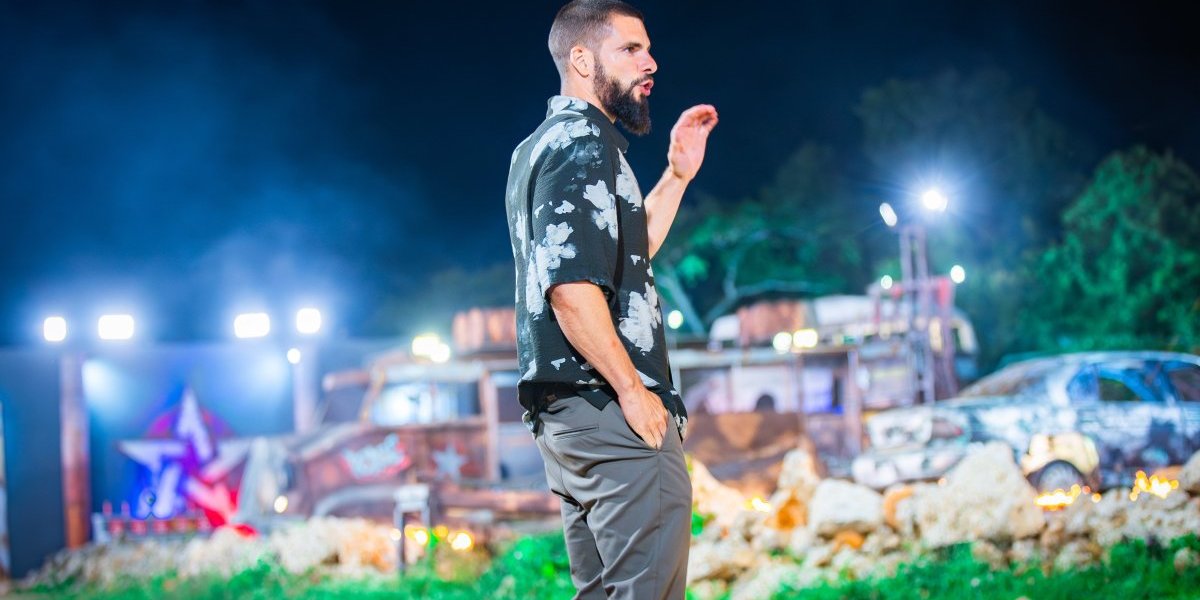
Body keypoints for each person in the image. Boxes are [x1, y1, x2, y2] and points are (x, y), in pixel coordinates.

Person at [503, 1, 718, 598]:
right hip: (609, 410)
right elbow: (570, 288)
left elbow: (626, 250)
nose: (651, 63)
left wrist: (676, 175)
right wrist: (632, 391)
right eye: (630, 49)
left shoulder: (537, 148)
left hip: (569, 421)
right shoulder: (584, 141)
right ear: (581, 58)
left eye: (648, 49)